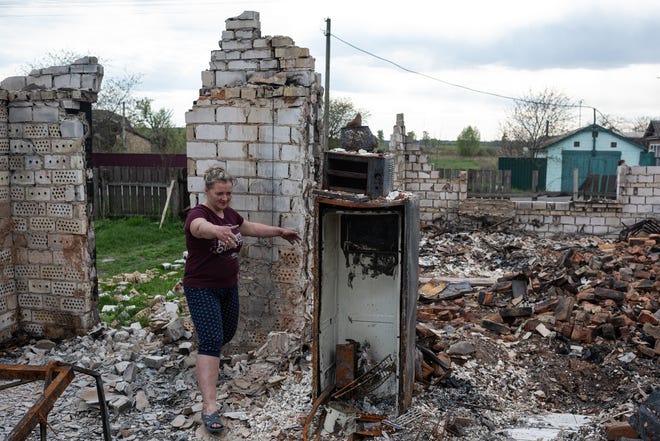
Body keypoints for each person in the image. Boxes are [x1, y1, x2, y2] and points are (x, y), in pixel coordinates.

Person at [183, 166, 301, 433]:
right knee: (211, 339)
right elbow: (198, 228)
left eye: (228, 194)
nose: (224, 199)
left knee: (227, 332)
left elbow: (250, 228)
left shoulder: (230, 215)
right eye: (219, 194)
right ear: (207, 191)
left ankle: (208, 366)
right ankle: (210, 407)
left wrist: (280, 232)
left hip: (228, 286)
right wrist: (216, 231)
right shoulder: (198, 215)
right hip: (201, 287)